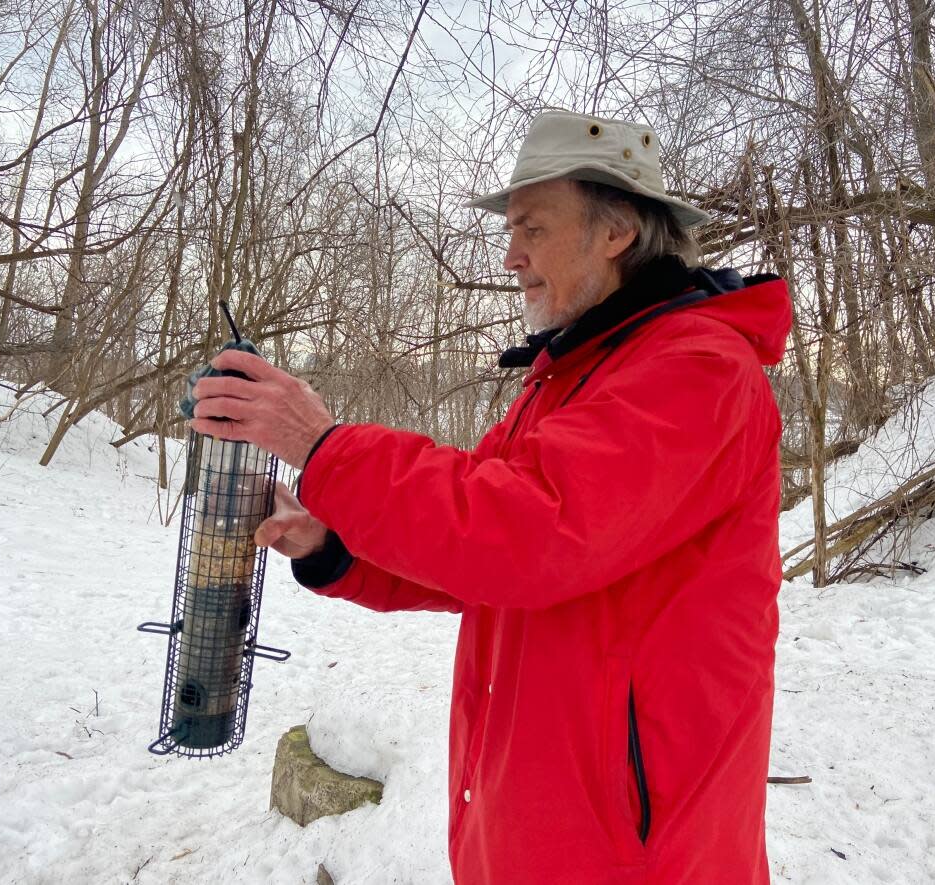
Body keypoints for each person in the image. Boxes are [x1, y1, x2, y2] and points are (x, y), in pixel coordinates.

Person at [190, 110, 791, 884]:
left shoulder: (696, 371)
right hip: (533, 833)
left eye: (533, 228)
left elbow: (524, 531)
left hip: (635, 857)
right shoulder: (572, 377)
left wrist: (323, 445)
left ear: (614, 233)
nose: (512, 256)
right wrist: (332, 540)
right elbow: (473, 554)